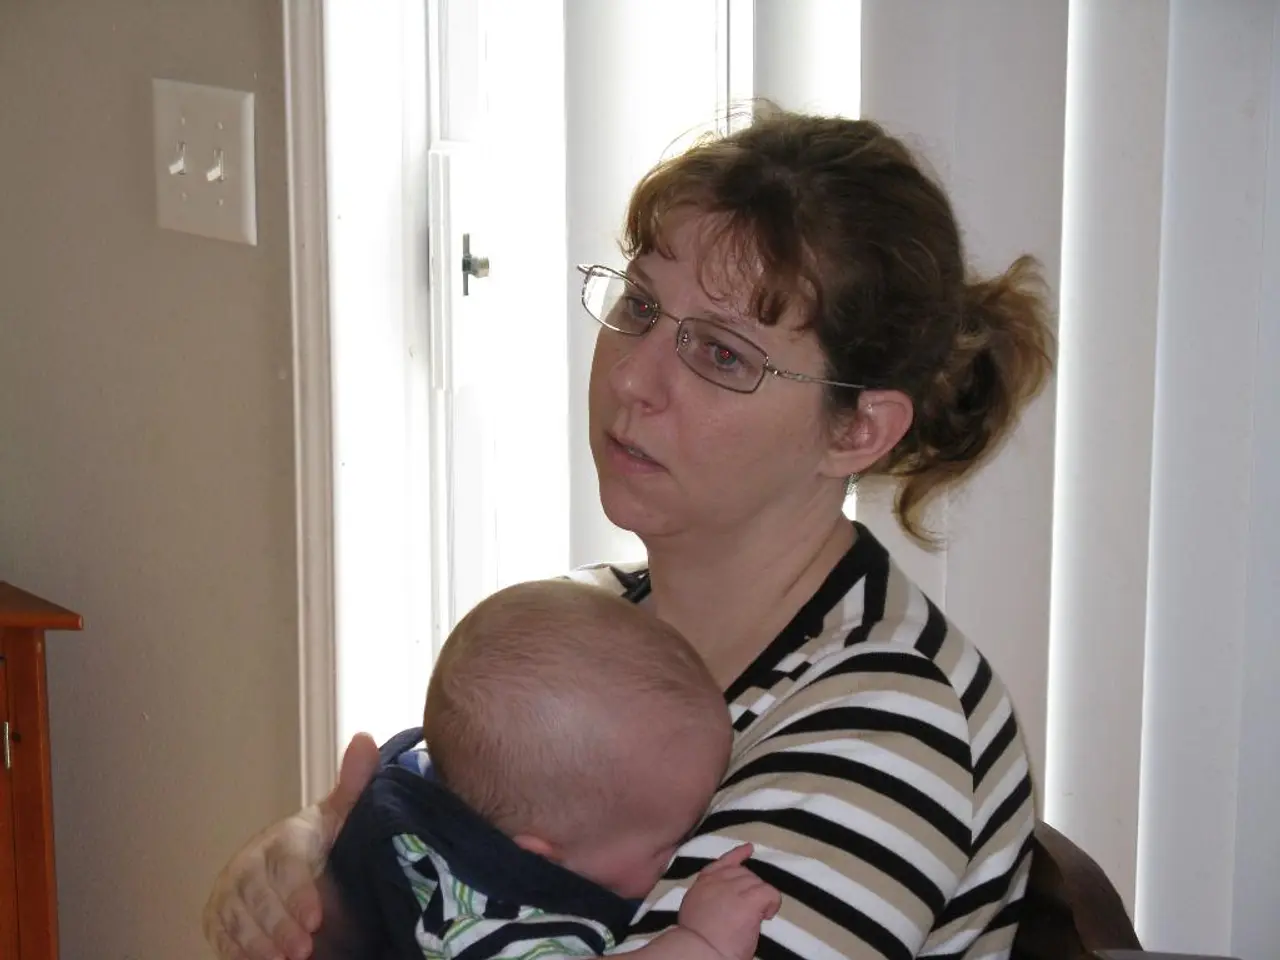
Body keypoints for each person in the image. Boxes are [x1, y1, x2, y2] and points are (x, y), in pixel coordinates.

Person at [204, 105, 1054, 960]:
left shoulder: (888, 721)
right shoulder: (589, 621)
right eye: (639, 304)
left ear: (858, 431)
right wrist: (311, 869)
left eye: (723, 354)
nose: (634, 376)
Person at [316, 578, 779, 960]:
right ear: (541, 856)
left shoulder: (441, 781)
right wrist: (702, 943)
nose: (688, 849)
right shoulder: (479, 915)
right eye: (669, 845)